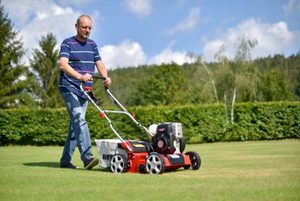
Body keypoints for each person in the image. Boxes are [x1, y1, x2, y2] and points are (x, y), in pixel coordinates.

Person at [58, 15, 111, 169]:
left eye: (89, 28)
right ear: (76, 26)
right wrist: (79, 76)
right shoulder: (67, 43)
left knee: (75, 126)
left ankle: (65, 160)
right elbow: (62, 65)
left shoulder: (93, 45)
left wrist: (105, 77)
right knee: (79, 119)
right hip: (69, 87)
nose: (87, 30)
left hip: (85, 91)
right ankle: (87, 157)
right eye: (84, 27)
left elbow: (100, 63)